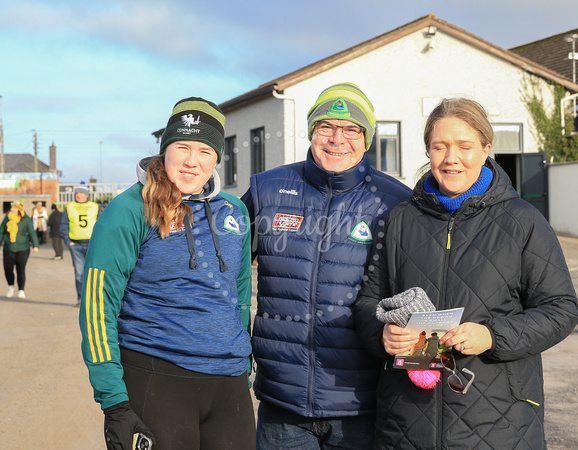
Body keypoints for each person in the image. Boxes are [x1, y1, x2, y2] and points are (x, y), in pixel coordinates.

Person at [354, 98, 578, 448]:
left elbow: (561, 308)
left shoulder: (523, 221)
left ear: (487, 149)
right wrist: (381, 335)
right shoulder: (399, 221)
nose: (451, 158)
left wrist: (492, 336)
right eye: (439, 147)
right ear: (428, 151)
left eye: (465, 146)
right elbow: (368, 301)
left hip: (500, 425)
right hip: (407, 424)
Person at [241, 82, 411, 449]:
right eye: (326, 127)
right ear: (311, 132)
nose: (337, 139)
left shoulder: (395, 201)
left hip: (360, 403)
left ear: (367, 139)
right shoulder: (267, 191)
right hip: (282, 402)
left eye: (351, 129)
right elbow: (224, 269)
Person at [79, 97, 255, 449]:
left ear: (217, 158)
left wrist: (244, 366)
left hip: (229, 385)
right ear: (165, 150)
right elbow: (98, 307)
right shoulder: (130, 208)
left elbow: (239, 295)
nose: (192, 161)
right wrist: (114, 400)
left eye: (205, 150)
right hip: (157, 377)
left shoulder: (234, 210)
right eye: (183, 147)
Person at [60, 182, 98, 306]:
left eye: (81, 193)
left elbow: (102, 226)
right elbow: (64, 225)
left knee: (94, 272)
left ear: (86, 195)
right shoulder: (70, 206)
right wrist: (68, 241)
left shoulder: (94, 207)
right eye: (77, 193)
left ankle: (93, 300)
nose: (79, 195)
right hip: (75, 245)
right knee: (79, 273)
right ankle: (81, 299)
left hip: (92, 244)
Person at [0, 201, 39, 299]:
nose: (12, 209)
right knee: (8, 268)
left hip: (23, 248)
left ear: (19, 209)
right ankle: (11, 286)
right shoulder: (7, 218)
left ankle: (21, 290)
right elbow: (1, 232)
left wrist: (35, 245)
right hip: (9, 247)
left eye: (14, 208)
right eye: (12, 208)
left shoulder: (26, 220)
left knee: (20, 270)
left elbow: (32, 232)